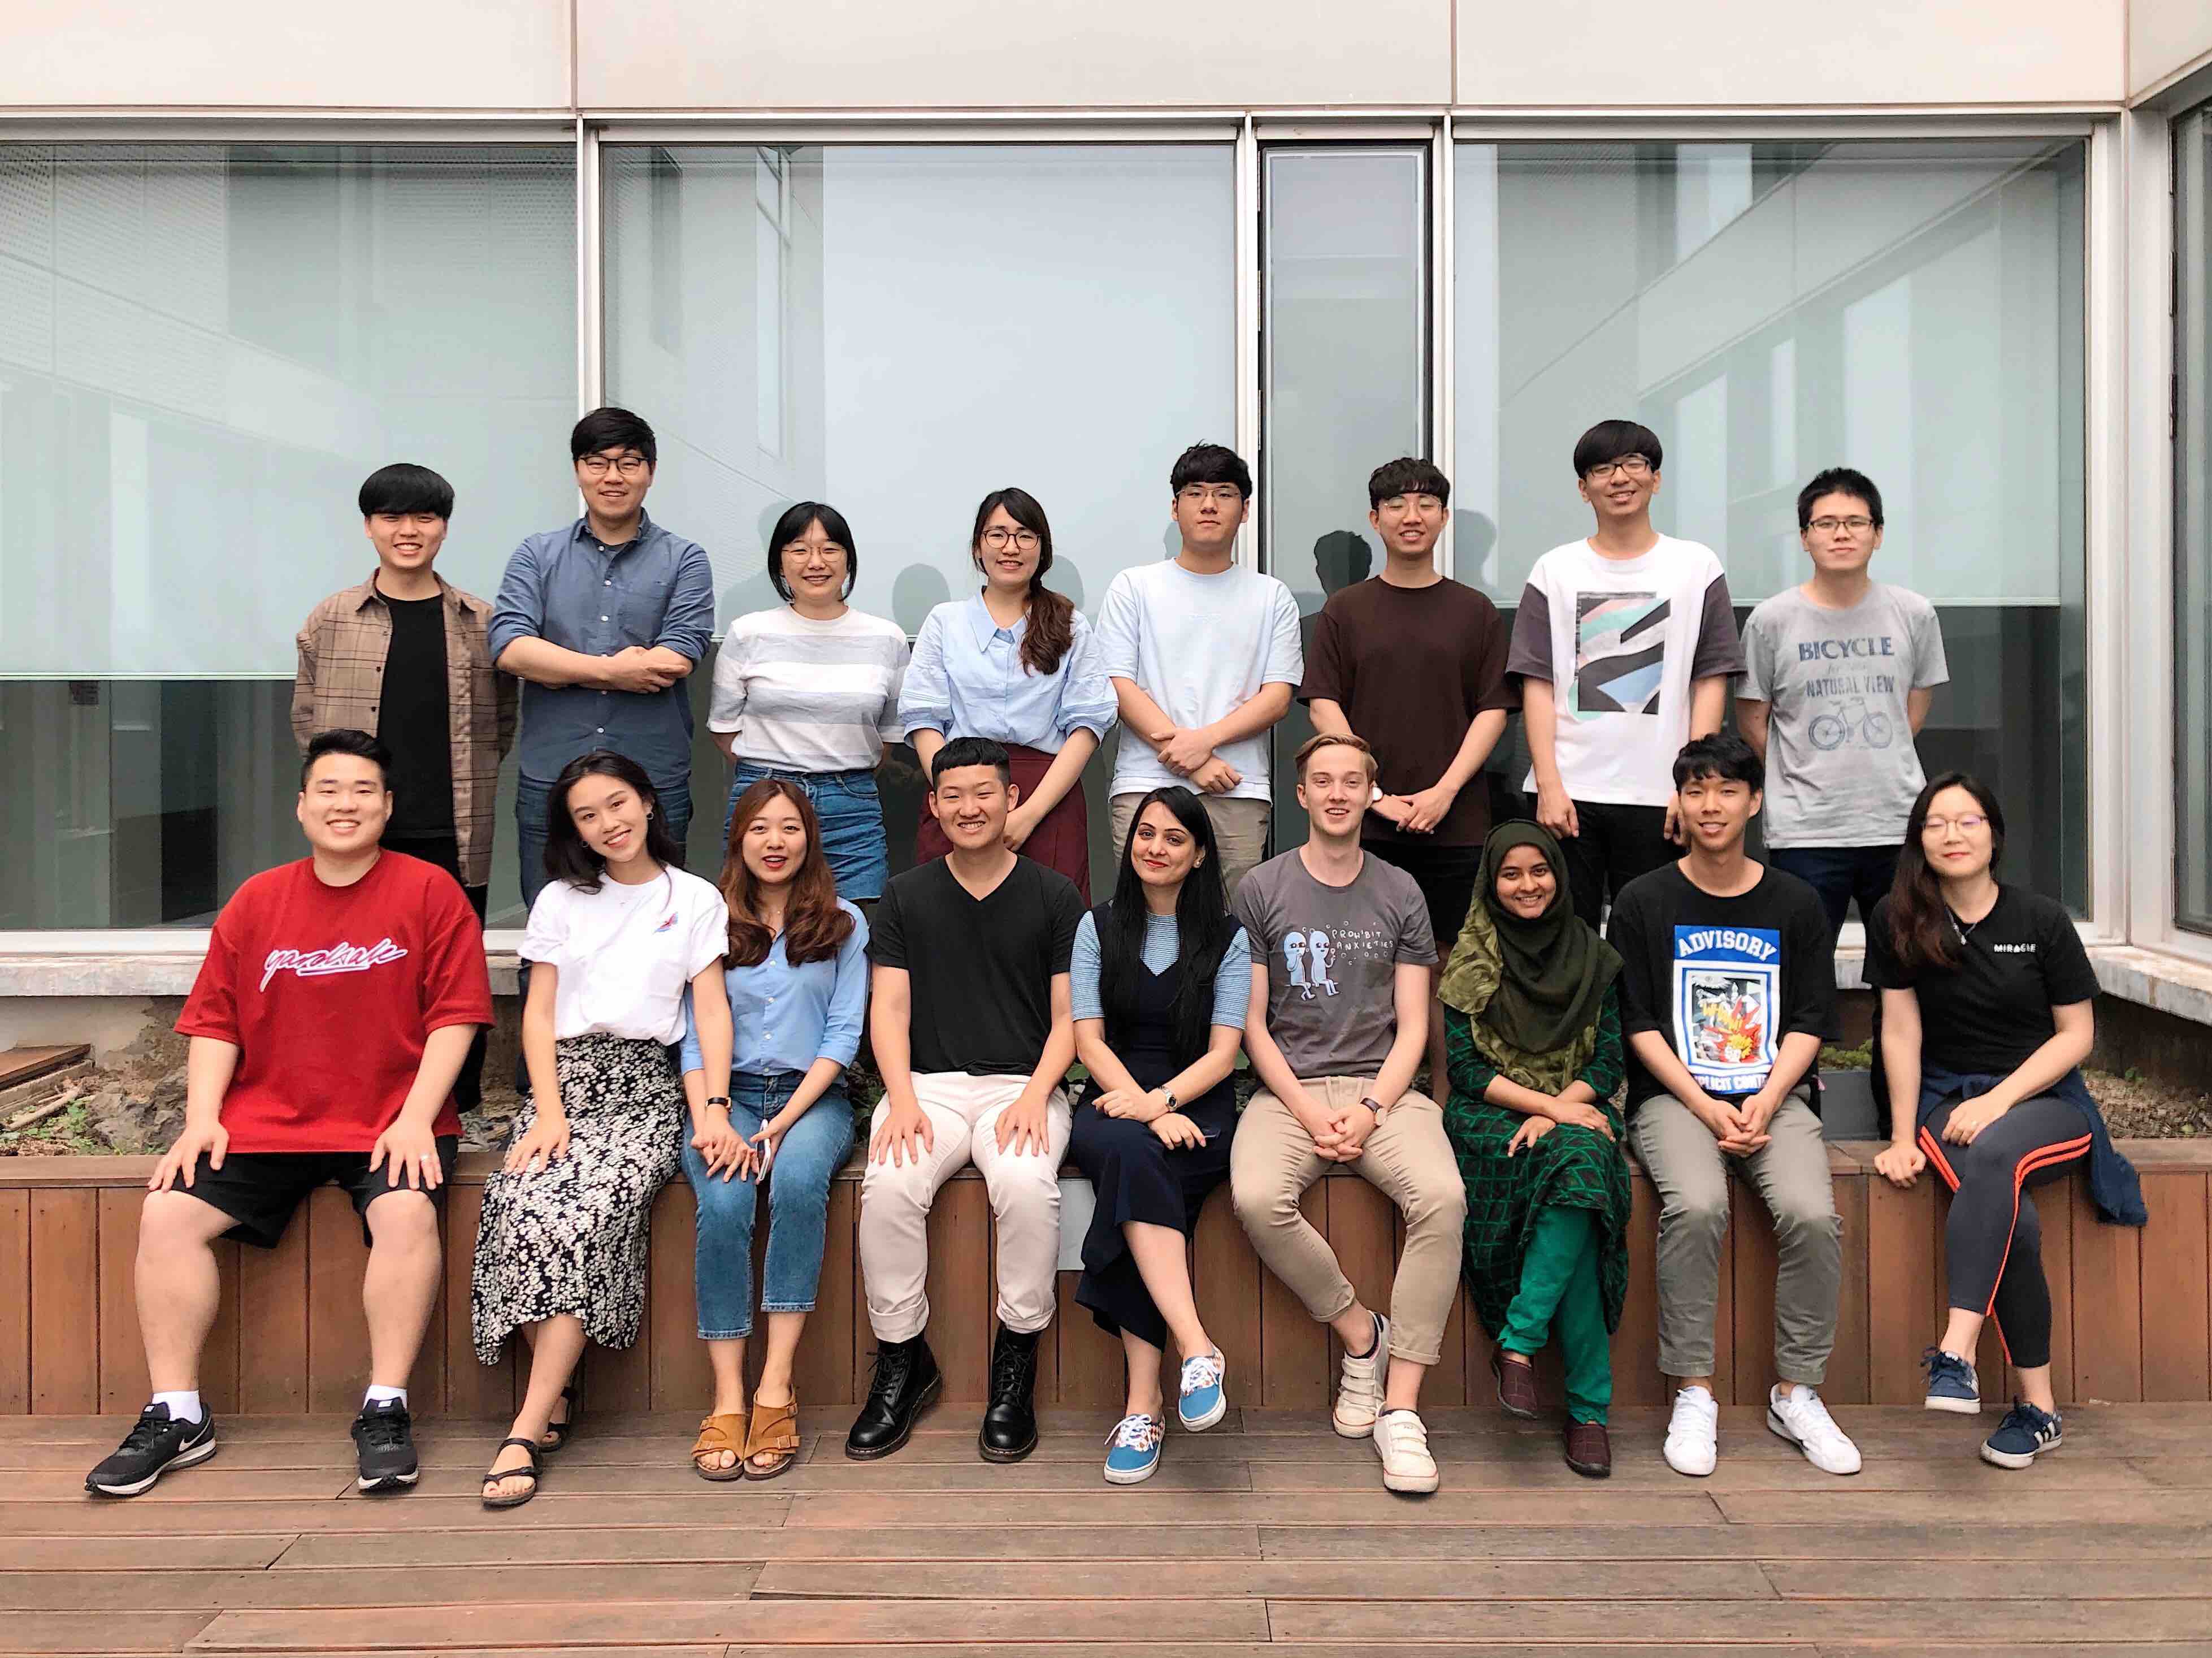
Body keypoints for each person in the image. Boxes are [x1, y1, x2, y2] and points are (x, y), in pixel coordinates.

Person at [85, 731, 491, 1500]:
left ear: (388, 806)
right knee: (168, 1214)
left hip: (391, 1120)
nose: (346, 803)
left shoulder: (429, 891)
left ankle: (385, 1407)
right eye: (329, 789)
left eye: (363, 790)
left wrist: (417, 1116)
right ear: (302, 806)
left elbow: (457, 1015)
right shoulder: (258, 899)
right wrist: (202, 1117)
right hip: (268, 1119)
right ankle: (178, 1413)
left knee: (406, 1212)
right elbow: (216, 1021)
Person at [472, 751, 732, 1509]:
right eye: (587, 815)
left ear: (647, 802)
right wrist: (549, 1110)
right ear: (575, 831)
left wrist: (714, 1105)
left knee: (584, 1211)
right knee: (517, 1202)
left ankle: (526, 1425)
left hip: (641, 1094)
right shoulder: (560, 900)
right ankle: (553, 1393)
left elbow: (710, 1010)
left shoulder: (694, 897)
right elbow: (538, 1014)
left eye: (617, 803)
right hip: (563, 1087)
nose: (608, 823)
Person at [1867, 773, 2145, 1469]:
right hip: (1945, 1100)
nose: (1952, 834)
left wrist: (1999, 1100)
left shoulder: (2040, 919)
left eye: (1967, 820)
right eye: (1936, 822)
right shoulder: (1897, 917)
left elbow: (2076, 1034)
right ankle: (2038, 1409)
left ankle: (1955, 1349)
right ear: (1918, 838)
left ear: (1993, 834)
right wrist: (1900, 1136)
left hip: (2044, 1101)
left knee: (1995, 1154)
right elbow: (1898, 1030)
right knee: (2011, 1218)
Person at [1607, 733, 1859, 1479]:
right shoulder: (1643, 899)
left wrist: (1765, 1098)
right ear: (1678, 803)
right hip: (1673, 1098)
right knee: (1695, 1206)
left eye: (1725, 789)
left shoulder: (1794, 901)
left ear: (1753, 800)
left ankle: (1796, 1391)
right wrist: (1707, 1104)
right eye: (1694, 790)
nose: (1709, 805)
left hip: (1774, 1097)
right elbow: (1638, 1024)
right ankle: (1693, 1392)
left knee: (1810, 1214)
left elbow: (1810, 1019)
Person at [1229, 733, 1466, 1495]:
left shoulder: (1399, 890)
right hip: (1287, 1090)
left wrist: (1369, 1109)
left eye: (1352, 781)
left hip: (1381, 1089)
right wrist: (1305, 1108)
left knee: (1442, 1198)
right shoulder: (1260, 888)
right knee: (1256, 1197)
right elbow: (1251, 1023)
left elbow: (1414, 1024)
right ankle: (1360, 1333)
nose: (1337, 793)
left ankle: (1401, 1407)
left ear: (1370, 793)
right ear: (1300, 794)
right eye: (1322, 781)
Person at [847, 737, 1086, 1464]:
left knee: (1025, 1185)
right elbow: (889, 1009)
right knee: (888, 1185)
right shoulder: (905, 894)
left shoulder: (1054, 895)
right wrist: (899, 1098)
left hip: (1023, 1084)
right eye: (952, 795)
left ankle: (1015, 1359)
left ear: (1011, 799)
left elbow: (1070, 1018)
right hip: (927, 1086)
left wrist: (1038, 1094)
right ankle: (901, 1357)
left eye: (984, 792)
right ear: (933, 804)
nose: (968, 807)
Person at [293, 462, 514, 1109]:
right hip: (357, 828)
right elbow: (306, 720)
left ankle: (455, 1103)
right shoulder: (331, 618)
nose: (408, 530)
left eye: (424, 516)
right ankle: (354, 1094)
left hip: (453, 826)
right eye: (391, 516)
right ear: (368, 527)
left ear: (444, 527)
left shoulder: (479, 621)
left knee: (451, 969)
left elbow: (502, 724)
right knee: (352, 963)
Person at [1305, 456, 1517, 1106]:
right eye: (1396, 504)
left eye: (1425, 503)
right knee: (1362, 958)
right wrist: (1373, 796)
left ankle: (1447, 1100)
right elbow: (1322, 705)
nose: (1411, 515)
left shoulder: (1474, 611)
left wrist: (1443, 791)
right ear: (1375, 519)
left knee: (1447, 965)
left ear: (1443, 517)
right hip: (1364, 823)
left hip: (1456, 820)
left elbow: (1492, 709)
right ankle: (1368, 1096)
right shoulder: (1344, 610)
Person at [679, 778, 869, 1480]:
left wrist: (785, 1120)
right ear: (739, 838)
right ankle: (728, 1392)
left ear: (808, 838)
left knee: (794, 1181)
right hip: (723, 1098)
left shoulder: (845, 922)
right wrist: (713, 1115)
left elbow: (843, 1033)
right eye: (760, 827)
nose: (775, 841)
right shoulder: (708, 917)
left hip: (808, 1097)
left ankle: (775, 1384)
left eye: (789, 827)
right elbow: (692, 1035)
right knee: (725, 1200)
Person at [1068, 785, 1249, 1484]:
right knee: (1134, 1154)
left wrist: (1164, 1101)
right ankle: (1196, 1347)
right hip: (1112, 1098)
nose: (1155, 847)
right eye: (1146, 833)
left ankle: (1142, 1405)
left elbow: (1223, 1052)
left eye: (1174, 838)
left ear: (1199, 854)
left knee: (1137, 1176)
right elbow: (1088, 1038)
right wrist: (1144, 1108)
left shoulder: (1227, 938)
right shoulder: (1097, 924)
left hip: (1195, 1103)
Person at [1438, 821, 1630, 1478]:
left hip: (1576, 1104)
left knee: (1578, 1165)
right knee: (1578, 1181)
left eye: (1539, 870)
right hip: (1490, 1116)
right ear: (1490, 883)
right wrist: (1547, 1109)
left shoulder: (1592, 956)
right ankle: (1588, 1411)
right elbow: (1465, 1069)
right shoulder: (1471, 959)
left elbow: (1606, 1062)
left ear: (1559, 873)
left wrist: (1562, 1107)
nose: (1528, 884)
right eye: (1511, 873)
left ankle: (1518, 1341)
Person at [1509, 419, 1744, 929]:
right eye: (1602, 469)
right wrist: (1548, 782)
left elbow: (1710, 679)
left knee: (1653, 938)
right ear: (1583, 488)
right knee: (1567, 942)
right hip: (1570, 794)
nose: (1620, 478)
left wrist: (1693, 785)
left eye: (1634, 464)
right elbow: (1537, 682)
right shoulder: (1554, 570)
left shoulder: (1696, 565)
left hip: (1660, 795)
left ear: (1655, 479)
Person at [489, 406, 715, 914]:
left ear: (650, 472)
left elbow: (677, 656)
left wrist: (560, 668)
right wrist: (613, 672)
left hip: (652, 778)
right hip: (553, 776)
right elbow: (511, 647)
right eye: (598, 462)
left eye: (629, 463)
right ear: (578, 470)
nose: (613, 476)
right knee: (552, 922)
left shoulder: (685, 559)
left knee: (660, 924)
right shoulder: (537, 555)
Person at [1738, 468, 1949, 942]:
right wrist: (1797, 767)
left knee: (1906, 958)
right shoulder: (1770, 621)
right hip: (1805, 830)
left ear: (1878, 534)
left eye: (1856, 522)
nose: (1841, 534)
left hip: (1896, 822)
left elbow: (1914, 709)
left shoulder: (1914, 614)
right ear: (1804, 537)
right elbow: (1752, 719)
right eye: (1826, 523)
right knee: (1802, 962)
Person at [1095, 443, 1303, 900]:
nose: (1209, 505)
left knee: (1227, 923)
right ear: (1175, 507)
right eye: (1195, 493)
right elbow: (1118, 684)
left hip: (1236, 787)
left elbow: (1278, 697)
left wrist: (1204, 744)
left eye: (1224, 493)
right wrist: (1195, 759)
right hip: (1146, 782)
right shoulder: (1134, 587)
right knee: (1142, 918)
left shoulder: (1271, 597)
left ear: (1245, 510)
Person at [901, 487, 1116, 899]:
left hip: (1045, 798)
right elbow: (923, 719)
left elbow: (1088, 726)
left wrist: (1028, 815)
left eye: (1025, 536)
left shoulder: (1069, 624)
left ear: (1042, 548)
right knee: (948, 919)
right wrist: (955, 796)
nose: (1010, 547)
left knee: (1048, 920)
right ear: (978, 547)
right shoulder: (945, 623)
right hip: (958, 795)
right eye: (997, 535)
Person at [710, 501, 910, 902]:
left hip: (850, 806)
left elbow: (888, 734)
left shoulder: (887, 638)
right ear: (779, 562)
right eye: (800, 549)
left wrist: (836, 771)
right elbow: (724, 728)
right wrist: (775, 772)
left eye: (830, 549)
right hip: (763, 799)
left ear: (849, 560)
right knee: (754, 923)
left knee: (855, 923)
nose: (816, 562)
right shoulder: (748, 633)